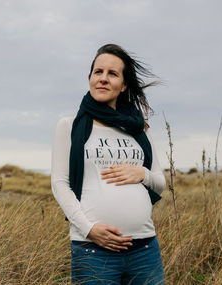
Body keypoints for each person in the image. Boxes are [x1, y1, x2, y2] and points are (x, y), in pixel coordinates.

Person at [50, 44, 166, 284]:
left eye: (112, 74)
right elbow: (60, 184)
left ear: (123, 85)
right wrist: (89, 229)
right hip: (93, 250)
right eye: (98, 72)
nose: (103, 79)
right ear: (90, 78)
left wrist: (142, 173)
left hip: (145, 249)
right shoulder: (69, 125)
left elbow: (160, 183)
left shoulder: (138, 129)